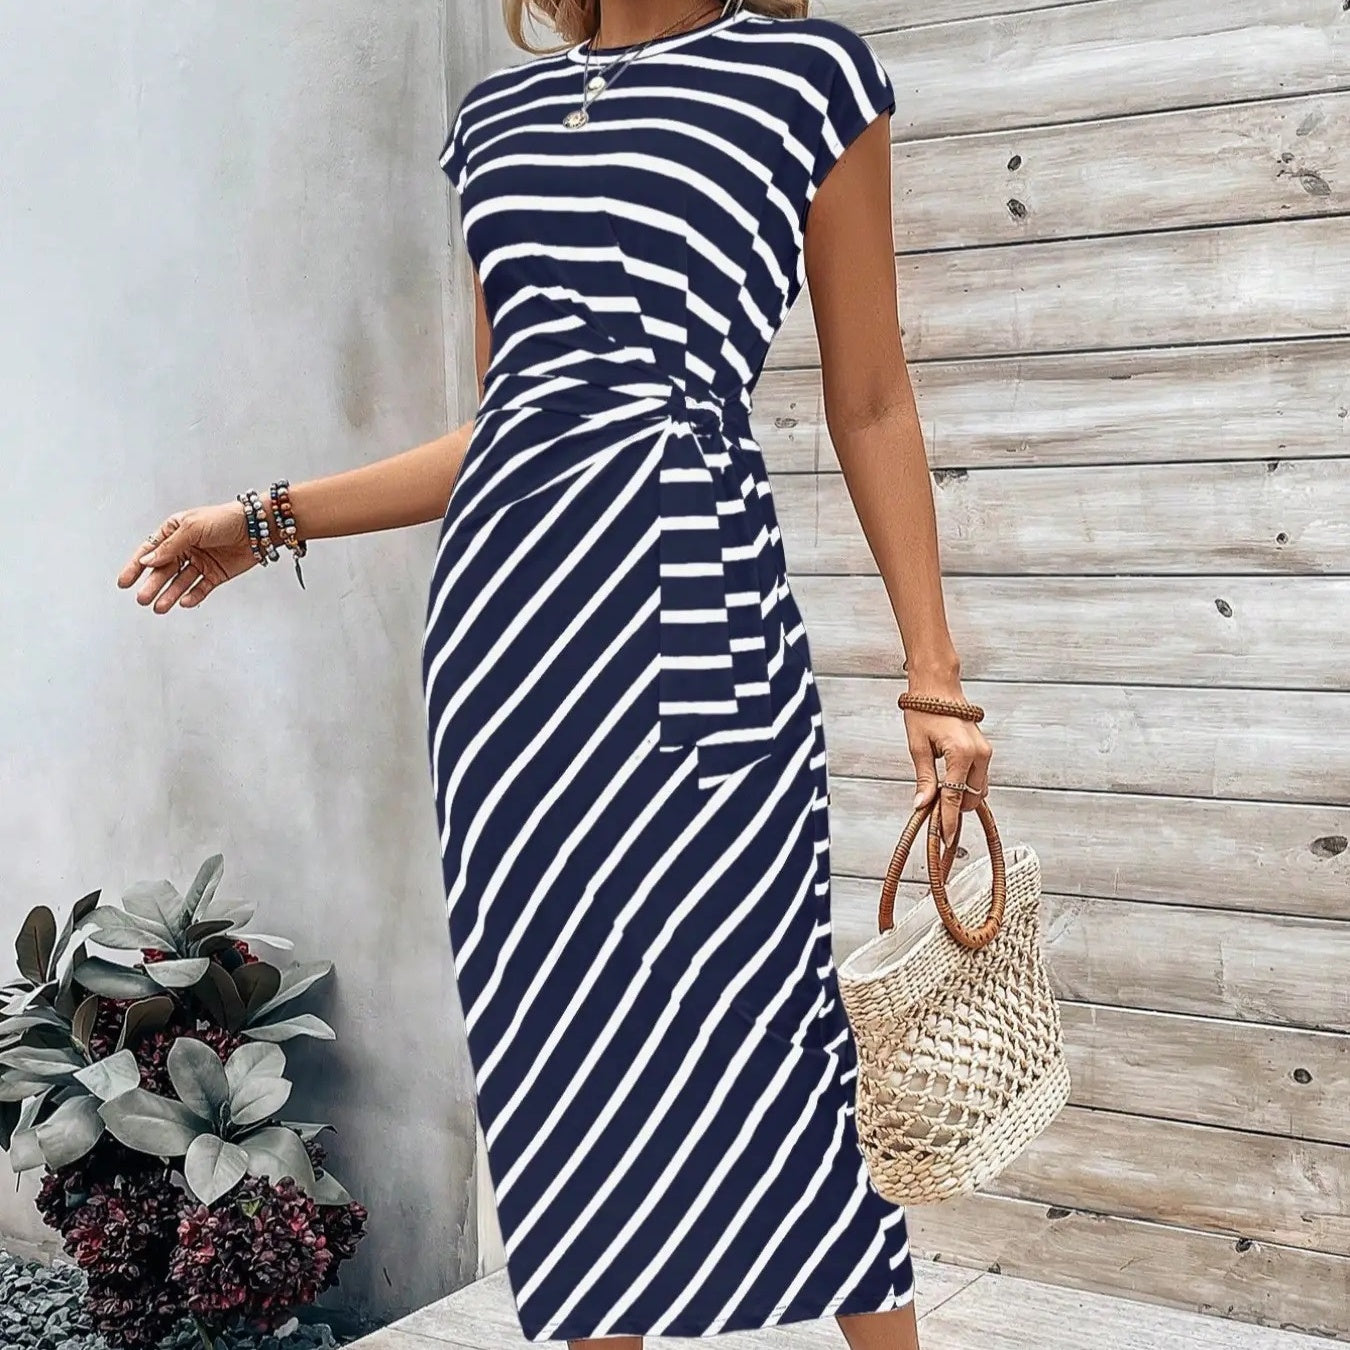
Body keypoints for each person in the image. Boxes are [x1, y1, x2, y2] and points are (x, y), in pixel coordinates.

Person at [118, 0, 993, 1345]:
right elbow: (513, 420)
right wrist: (267, 518)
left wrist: (932, 676)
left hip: (696, 609)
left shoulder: (806, 74)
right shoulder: (496, 120)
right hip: (509, 646)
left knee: (767, 1018)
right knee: (560, 1044)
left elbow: (870, 396)